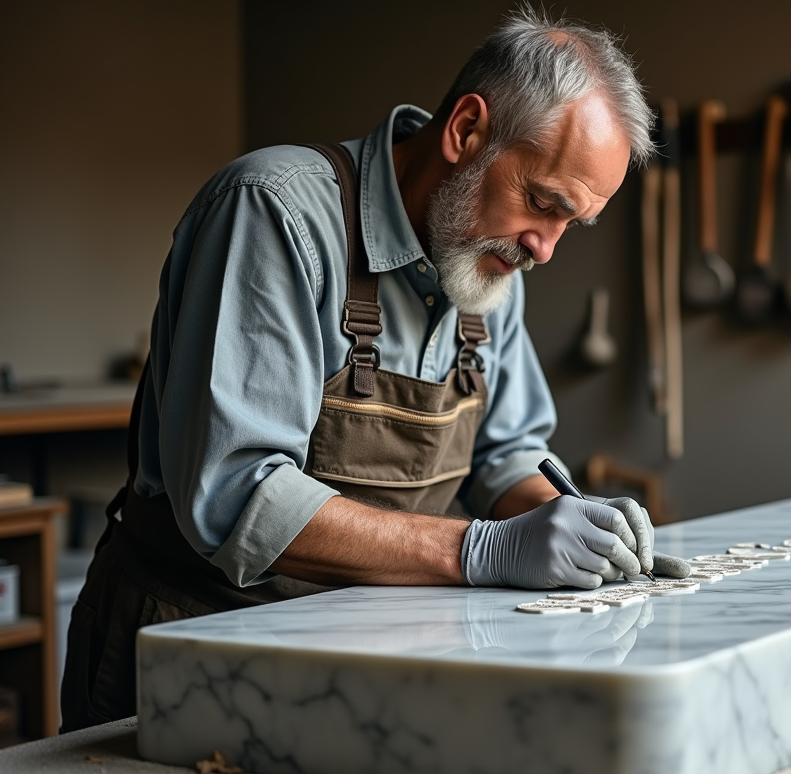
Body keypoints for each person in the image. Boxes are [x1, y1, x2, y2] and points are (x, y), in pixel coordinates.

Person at [61, 8, 689, 733]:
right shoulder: (274, 213)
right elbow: (237, 497)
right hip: (197, 647)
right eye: (543, 204)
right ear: (466, 131)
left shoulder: (490, 262)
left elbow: (505, 456)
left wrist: (573, 525)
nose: (545, 249)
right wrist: (485, 549)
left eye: (569, 224)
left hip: (370, 653)